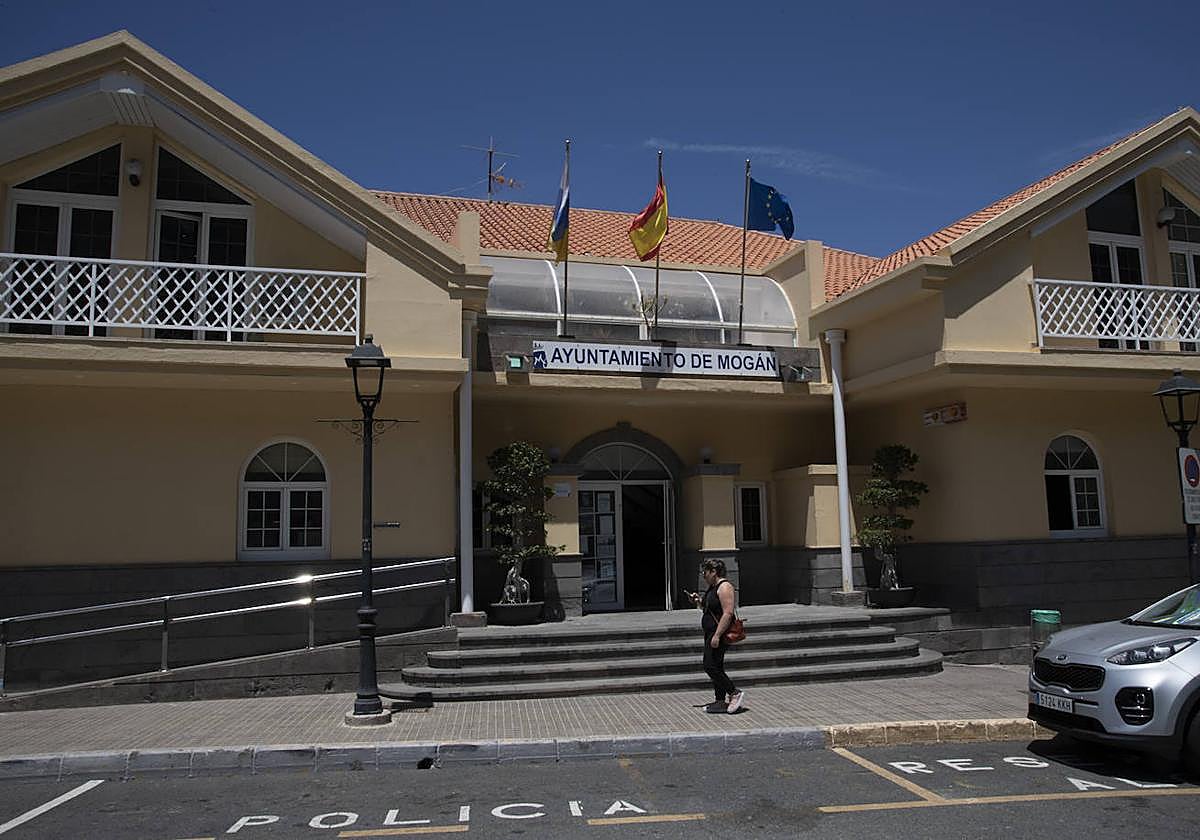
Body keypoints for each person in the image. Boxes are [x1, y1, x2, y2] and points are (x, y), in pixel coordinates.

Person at [688, 558, 745, 714]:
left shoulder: (724, 587)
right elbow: (710, 609)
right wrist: (698, 601)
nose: (703, 575)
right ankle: (720, 701)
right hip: (710, 632)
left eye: (705, 572)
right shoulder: (713, 588)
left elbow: (728, 613)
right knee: (716, 665)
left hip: (719, 633)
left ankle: (734, 692)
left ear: (714, 572)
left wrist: (717, 635)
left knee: (709, 665)